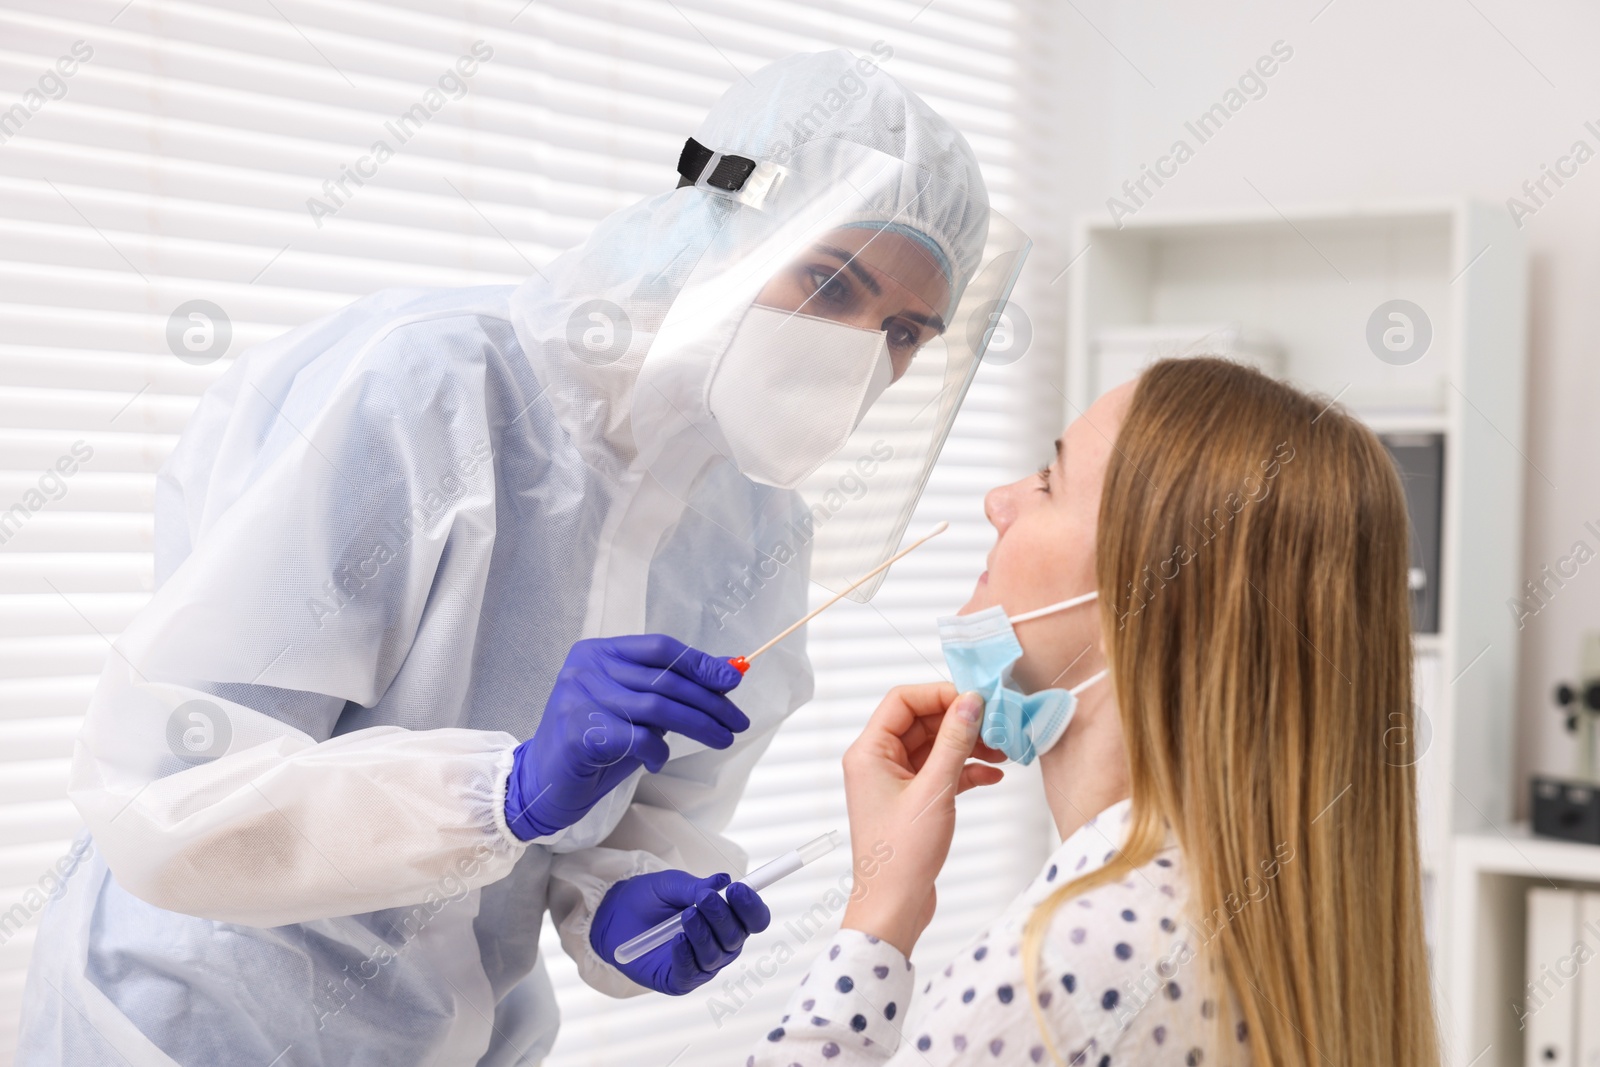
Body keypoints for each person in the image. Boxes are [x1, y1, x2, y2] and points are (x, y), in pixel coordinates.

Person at [18, 50, 1030, 1066]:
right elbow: (167, 795)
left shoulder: (759, 529)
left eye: (903, 330)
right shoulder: (425, 390)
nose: (857, 348)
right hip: (196, 1027)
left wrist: (625, 896)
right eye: (826, 281)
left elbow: (650, 813)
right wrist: (502, 790)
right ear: (722, 220)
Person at [754, 357, 1440, 1066]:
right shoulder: (1287, 925)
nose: (999, 499)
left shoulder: (1061, 974)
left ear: (1157, 594)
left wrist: (874, 919)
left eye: (1049, 483)